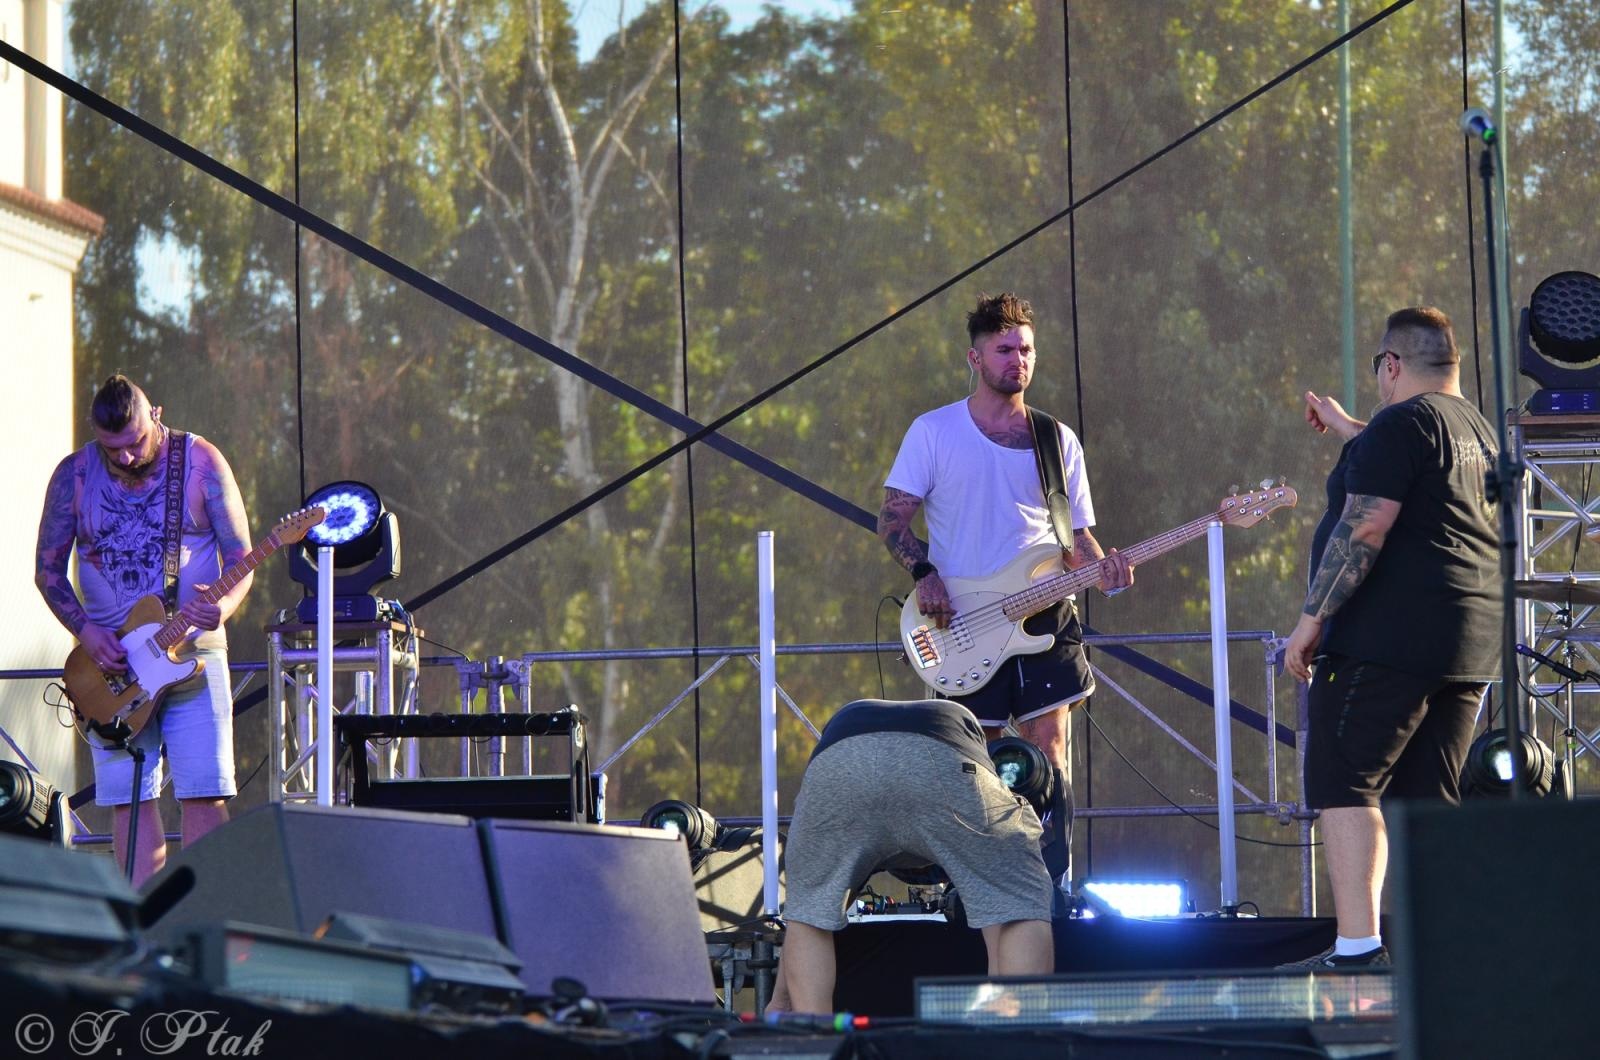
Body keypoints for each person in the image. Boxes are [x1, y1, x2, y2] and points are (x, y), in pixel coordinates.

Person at [1282, 306, 1500, 969]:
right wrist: (1353, 429)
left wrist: (1311, 620)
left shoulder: (1401, 424)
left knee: (1344, 782)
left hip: (1385, 640)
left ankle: (1356, 948)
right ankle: (1435, 953)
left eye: (1381, 371)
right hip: (1466, 645)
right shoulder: (1478, 430)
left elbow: (1367, 527)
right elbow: (1413, 465)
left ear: (1392, 365)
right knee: (1424, 801)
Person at [879, 291, 1132, 781]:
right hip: (965, 617)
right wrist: (924, 573)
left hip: (1045, 612)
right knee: (977, 763)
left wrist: (1109, 573)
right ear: (975, 358)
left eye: (1026, 350)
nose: (1018, 360)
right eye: (1005, 350)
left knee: (1050, 755)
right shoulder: (934, 432)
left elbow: (1077, 541)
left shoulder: (1056, 439)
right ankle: (987, 857)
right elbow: (891, 522)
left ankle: (1051, 857)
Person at [35, 374, 255, 885]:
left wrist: (221, 607)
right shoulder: (74, 475)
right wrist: (87, 632)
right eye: (115, 450)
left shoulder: (200, 462)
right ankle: (143, 922)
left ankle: (203, 912)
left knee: (203, 790)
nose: (128, 458)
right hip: (108, 669)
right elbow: (47, 570)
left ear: (155, 414)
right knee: (128, 797)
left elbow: (242, 557)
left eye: (135, 443)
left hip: (191, 651)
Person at [770, 698, 1055, 1014]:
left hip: (839, 755)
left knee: (809, 914)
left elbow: (806, 917)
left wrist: (780, 1002)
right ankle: (1018, 1035)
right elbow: (1003, 911)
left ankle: (815, 1040)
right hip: (946, 743)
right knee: (1017, 903)